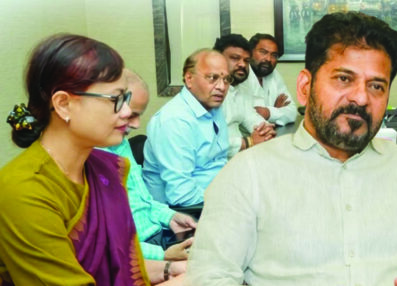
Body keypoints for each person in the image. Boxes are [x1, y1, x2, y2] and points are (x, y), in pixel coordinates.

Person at [186, 12, 397, 286]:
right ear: (305, 87)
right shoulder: (248, 173)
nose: (361, 98)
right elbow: (210, 276)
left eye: (376, 86)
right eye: (344, 79)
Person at [0, 34, 153, 285]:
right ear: (63, 104)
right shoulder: (22, 191)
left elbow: (124, 267)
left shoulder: (107, 170)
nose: (128, 112)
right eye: (115, 99)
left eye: (125, 99)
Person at [101, 69, 196, 283]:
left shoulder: (121, 143)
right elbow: (108, 244)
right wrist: (163, 256)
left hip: (157, 237)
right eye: (130, 115)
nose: (136, 124)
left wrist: (170, 217)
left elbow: (143, 200)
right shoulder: (89, 160)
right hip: (139, 253)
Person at [143, 49, 231, 207]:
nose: (222, 87)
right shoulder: (175, 120)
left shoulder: (213, 107)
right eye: (212, 78)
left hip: (216, 194)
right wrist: (230, 200)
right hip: (187, 211)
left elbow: (219, 161)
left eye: (226, 80)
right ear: (189, 79)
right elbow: (182, 195)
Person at [213, 34, 276, 158]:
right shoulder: (208, 92)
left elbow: (251, 117)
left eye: (246, 60)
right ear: (217, 59)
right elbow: (209, 144)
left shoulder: (241, 88)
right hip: (214, 164)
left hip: (238, 159)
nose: (242, 64)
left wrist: (266, 130)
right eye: (235, 58)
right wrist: (249, 142)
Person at [240, 33, 297, 127]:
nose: (268, 59)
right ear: (249, 52)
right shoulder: (240, 74)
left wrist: (269, 112)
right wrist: (277, 111)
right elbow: (245, 118)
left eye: (274, 55)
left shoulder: (274, 74)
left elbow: (292, 112)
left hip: (271, 133)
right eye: (263, 52)